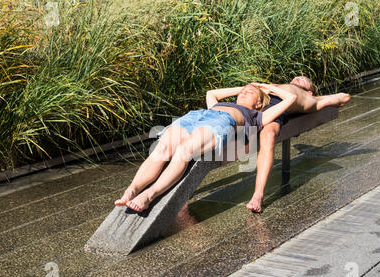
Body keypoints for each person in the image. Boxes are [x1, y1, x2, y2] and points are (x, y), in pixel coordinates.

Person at [115, 83, 298, 212]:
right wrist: (248, 86)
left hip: (222, 122)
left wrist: (264, 88)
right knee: (162, 148)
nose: (242, 93)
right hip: (196, 116)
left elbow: (291, 97)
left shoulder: (256, 116)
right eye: (242, 91)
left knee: (184, 151)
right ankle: (132, 189)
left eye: (249, 93)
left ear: (258, 104)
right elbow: (212, 93)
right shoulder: (219, 103)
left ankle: (149, 195)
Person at [245, 76, 351, 213]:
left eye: (303, 79)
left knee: (268, 136)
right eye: (296, 77)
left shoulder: (312, 100)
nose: (298, 77)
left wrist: (321, 98)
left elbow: (345, 97)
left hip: (276, 108)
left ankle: (258, 195)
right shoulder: (278, 85)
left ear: (310, 92)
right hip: (252, 102)